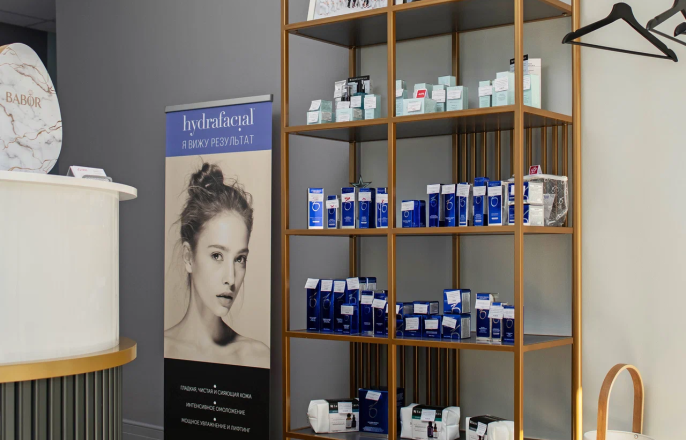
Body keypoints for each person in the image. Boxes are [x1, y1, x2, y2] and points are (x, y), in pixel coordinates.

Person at [165, 163, 269, 369]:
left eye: (240, 259)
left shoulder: (258, 357)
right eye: (217, 255)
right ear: (188, 257)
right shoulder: (162, 350)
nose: (230, 279)